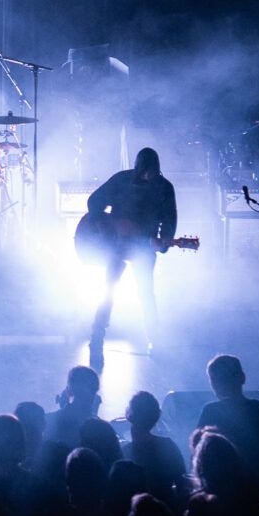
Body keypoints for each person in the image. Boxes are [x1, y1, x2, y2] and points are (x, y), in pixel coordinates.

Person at [79, 147, 177, 369]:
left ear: (156, 169)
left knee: (145, 293)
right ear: (138, 167)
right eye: (143, 171)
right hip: (116, 246)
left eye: (150, 172)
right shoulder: (121, 180)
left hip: (144, 246)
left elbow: (170, 219)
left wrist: (164, 242)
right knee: (108, 291)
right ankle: (96, 341)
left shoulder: (163, 188)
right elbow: (94, 201)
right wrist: (104, 224)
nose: (146, 176)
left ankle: (155, 342)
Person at [194, 354, 259, 484]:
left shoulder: (211, 411)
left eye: (215, 380)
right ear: (242, 378)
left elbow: (198, 452)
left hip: (223, 489)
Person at [121, 391, 190, 509]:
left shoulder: (124, 452)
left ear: (129, 414)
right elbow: (182, 484)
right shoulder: (168, 446)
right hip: (166, 514)